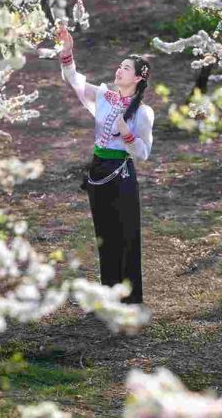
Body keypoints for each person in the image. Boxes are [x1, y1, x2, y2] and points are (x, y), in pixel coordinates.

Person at [56, 24, 153, 304]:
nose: (119, 70)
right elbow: (72, 79)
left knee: (126, 236)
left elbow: (143, 152)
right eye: (120, 66)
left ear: (137, 78)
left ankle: (131, 302)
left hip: (121, 174)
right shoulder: (104, 97)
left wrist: (128, 135)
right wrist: (67, 51)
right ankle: (109, 296)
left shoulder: (143, 113)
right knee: (104, 236)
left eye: (125, 68)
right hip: (98, 171)